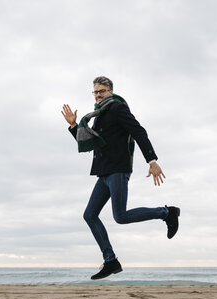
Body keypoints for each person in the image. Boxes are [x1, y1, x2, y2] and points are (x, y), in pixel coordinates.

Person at [61, 76, 180, 280]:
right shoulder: (99, 114)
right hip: (104, 171)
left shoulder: (117, 108)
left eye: (102, 91)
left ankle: (167, 213)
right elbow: (93, 142)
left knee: (120, 216)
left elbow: (139, 131)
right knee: (89, 215)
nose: (98, 95)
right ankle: (110, 261)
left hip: (118, 168)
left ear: (111, 91)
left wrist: (151, 160)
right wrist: (74, 126)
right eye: (95, 92)